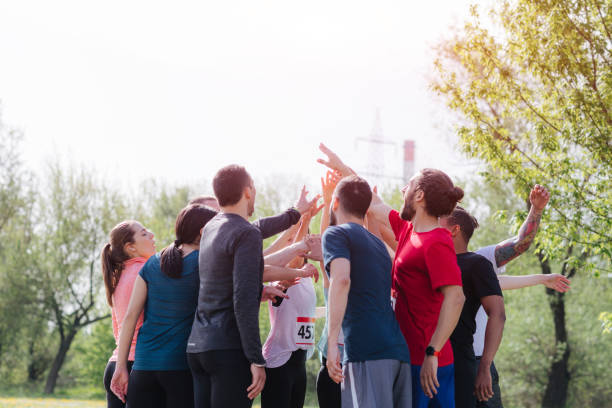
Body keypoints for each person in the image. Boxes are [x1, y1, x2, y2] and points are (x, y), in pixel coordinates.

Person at [318, 144, 465, 407]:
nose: (401, 190)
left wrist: (434, 351)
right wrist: (342, 169)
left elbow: (456, 298)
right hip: (405, 353)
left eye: (407, 186)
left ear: (419, 195)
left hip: (430, 362)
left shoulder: (437, 241)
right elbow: (370, 201)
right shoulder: (409, 231)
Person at [186, 164, 318, 408]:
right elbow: (243, 300)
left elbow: (257, 228)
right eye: (254, 188)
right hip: (228, 350)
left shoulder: (212, 229)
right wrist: (256, 359)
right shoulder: (244, 233)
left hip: (199, 348)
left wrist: (295, 213)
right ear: (248, 191)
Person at [468, 185, 570, 407]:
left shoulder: (477, 260)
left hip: (479, 362)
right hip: (444, 362)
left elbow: (519, 243)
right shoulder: (428, 262)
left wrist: (536, 209)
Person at [110, 204, 217, 408]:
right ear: (204, 232)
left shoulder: (152, 263)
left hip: (143, 368)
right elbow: (254, 268)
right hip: (179, 369)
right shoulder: (205, 262)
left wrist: (121, 366)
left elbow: (130, 316)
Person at [324, 175, 412, 408]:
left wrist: (333, 343)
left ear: (335, 203)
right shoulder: (379, 246)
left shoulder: (335, 234)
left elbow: (341, 280)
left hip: (366, 351)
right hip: (398, 352)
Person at [439, 207, 505, 407]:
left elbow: (498, 315)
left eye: (438, 222)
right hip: (426, 359)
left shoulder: (477, 264)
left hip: (460, 360)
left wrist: (484, 367)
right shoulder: (430, 261)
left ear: (454, 230)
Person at [260, 207, 320, 408]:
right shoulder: (283, 274)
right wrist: (303, 221)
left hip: (299, 361)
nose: (295, 245)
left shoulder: (308, 275)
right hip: (279, 361)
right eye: (291, 241)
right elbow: (294, 260)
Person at [101, 221, 156, 408]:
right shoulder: (147, 271)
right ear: (130, 247)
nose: (152, 235)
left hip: (114, 364)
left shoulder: (118, 276)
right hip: (135, 367)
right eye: (144, 234)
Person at [315, 170, 343, 408]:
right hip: (332, 360)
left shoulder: (370, 271)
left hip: (359, 360)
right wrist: (327, 205)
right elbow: (327, 240)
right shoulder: (333, 275)